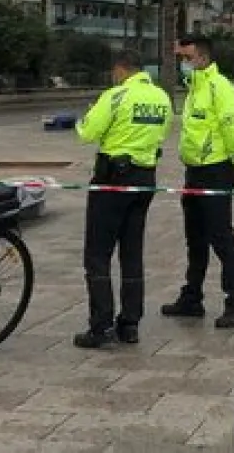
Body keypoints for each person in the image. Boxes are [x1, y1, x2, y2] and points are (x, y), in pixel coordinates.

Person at [73, 49, 172, 348]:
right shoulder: (161, 97)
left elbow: (87, 133)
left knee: (98, 255)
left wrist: (87, 117)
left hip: (112, 180)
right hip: (144, 178)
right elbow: (163, 133)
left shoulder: (116, 96)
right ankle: (130, 324)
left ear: (120, 69)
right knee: (132, 253)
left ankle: (100, 326)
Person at [161, 35, 234, 328]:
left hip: (216, 170)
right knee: (195, 237)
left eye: (186, 58)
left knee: (221, 237)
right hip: (194, 171)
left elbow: (231, 125)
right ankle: (192, 298)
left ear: (201, 58)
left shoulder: (218, 87)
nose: (182, 64)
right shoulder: (194, 87)